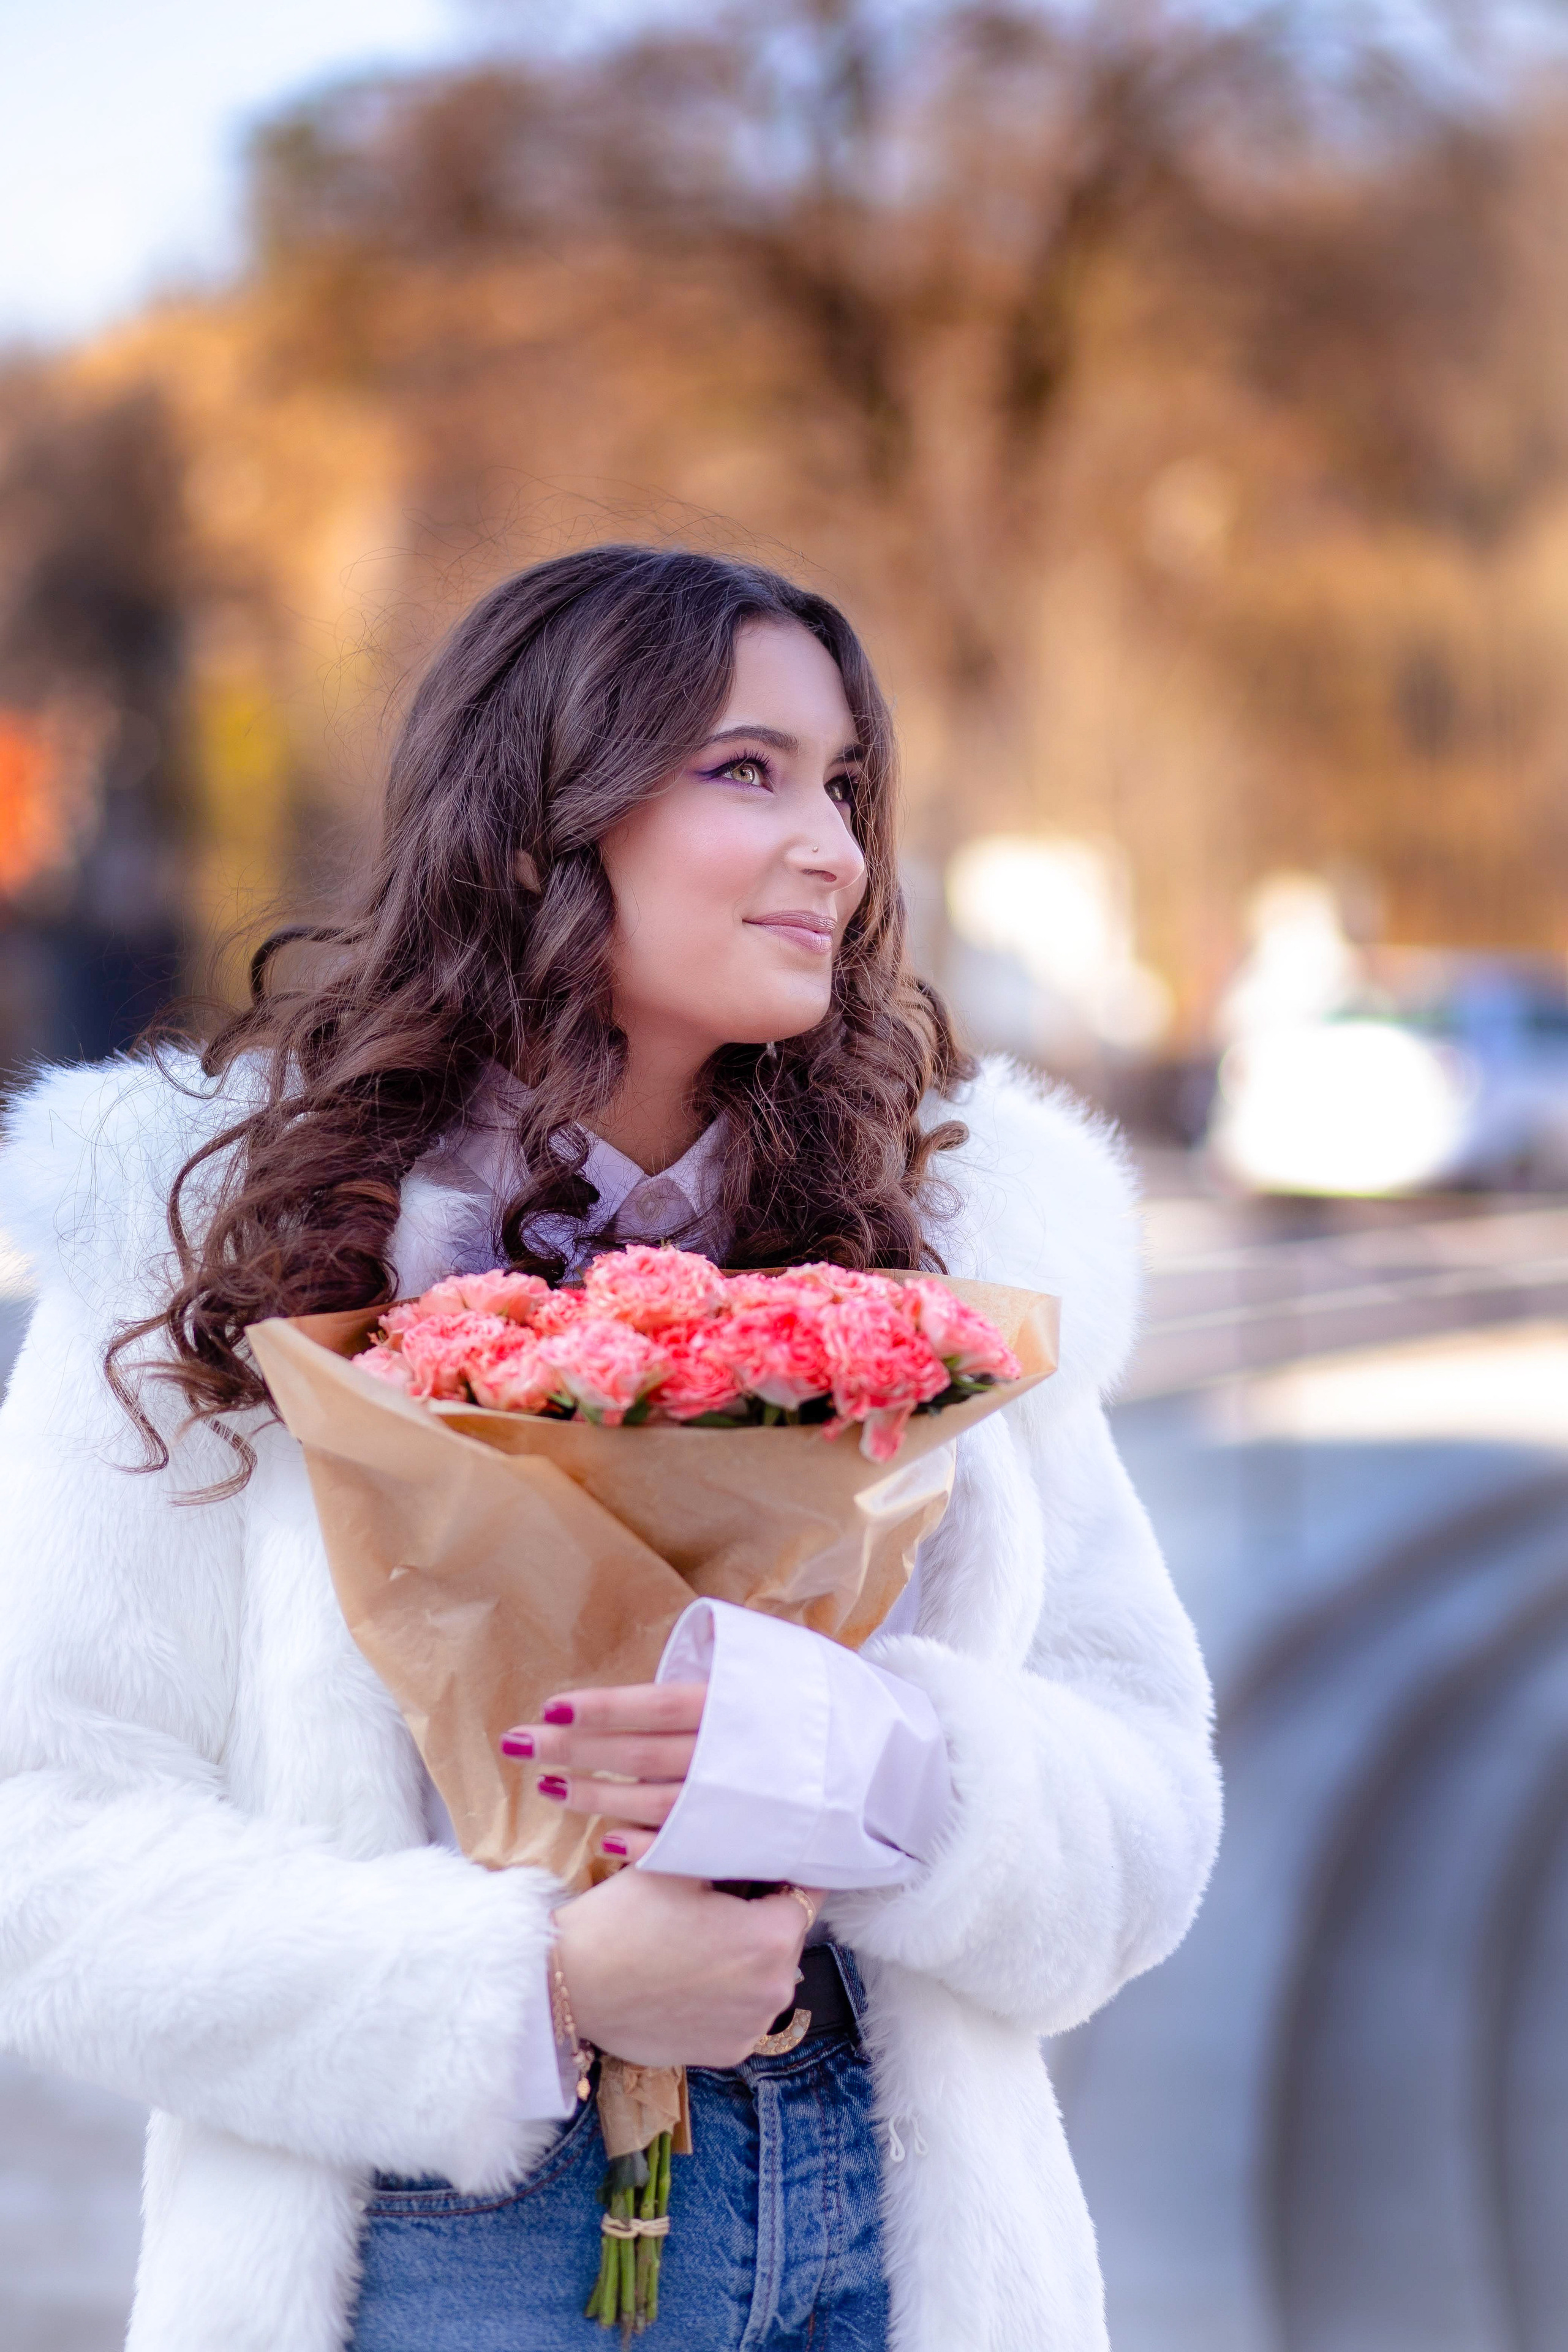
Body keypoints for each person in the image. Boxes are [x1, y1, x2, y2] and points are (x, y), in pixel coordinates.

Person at [0, 545, 1220, 2352]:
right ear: (534, 829)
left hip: (897, 2225)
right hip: (442, 2241)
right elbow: (41, 1845)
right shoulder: (222, 1239)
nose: (834, 849)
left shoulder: (945, 1245)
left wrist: (888, 1762)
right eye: (748, 772)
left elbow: (1152, 1809)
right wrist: (539, 1986)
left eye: (845, 786)